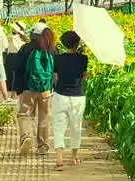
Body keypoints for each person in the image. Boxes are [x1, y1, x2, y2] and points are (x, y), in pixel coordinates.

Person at [51, 31, 89, 171]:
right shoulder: (83, 58)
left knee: (58, 128)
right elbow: (83, 76)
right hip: (78, 97)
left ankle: (59, 160)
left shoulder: (58, 59)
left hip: (60, 95)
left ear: (63, 43)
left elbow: (55, 76)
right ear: (77, 43)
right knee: (76, 126)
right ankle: (73, 157)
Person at [16, 23, 53, 155]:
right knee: (44, 117)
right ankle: (43, 146)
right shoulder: (51, 49)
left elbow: (18, 68)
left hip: (28, 88)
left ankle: (26, 137)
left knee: (24, 114)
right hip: (46, 89)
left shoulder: (25, 48)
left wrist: (18, 88)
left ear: (33, 35)